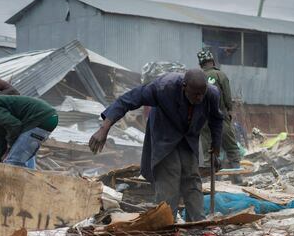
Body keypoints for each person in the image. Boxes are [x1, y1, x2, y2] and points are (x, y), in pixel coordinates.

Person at [89, 69, 223, 221]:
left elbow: (217, 119)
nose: (199, 98)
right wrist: (104, 128)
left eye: (202, 94)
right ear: (184, 86)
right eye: (195, 94)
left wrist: (216, 145)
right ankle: (167, 225)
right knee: (169, 179)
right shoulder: (164, 87)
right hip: (165, 133)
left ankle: (198, 223)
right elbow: (128, 100)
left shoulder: (211, 94)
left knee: (192, 178)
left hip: (188, 136)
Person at [197, 49, 241, 168]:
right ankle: (237, 178)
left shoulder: (197, 77)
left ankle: (212, 179)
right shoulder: (220, 75)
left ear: (201, 64)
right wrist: (230, 111)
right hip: (220, 117)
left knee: (208, 152)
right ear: (212, 61)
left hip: (204, 120)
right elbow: (227, 96)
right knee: (231, 147)